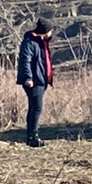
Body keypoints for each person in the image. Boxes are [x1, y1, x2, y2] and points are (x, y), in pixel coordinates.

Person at [16, 18, 55, 147]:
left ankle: (32, 136)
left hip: (41, 80)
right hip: (34, 81)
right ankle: (33, 137)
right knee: (36, 109)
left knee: (34, 108)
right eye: (50, 30)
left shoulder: (41, 41)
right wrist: (28, 77)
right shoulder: (30, 42)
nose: (51, 33)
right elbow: (25, 60)